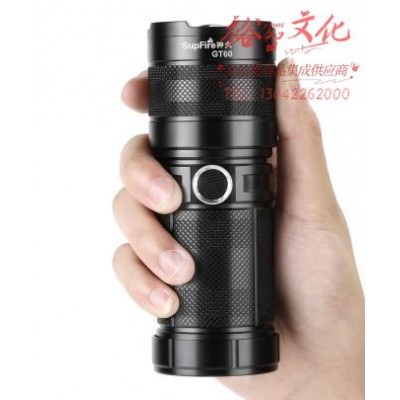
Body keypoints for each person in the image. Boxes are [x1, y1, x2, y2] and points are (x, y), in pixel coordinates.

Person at [112, 58, 365, 400]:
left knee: (166, 192)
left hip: (284, 346)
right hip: (291, 359)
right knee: (163, 192)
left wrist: (330, 373)